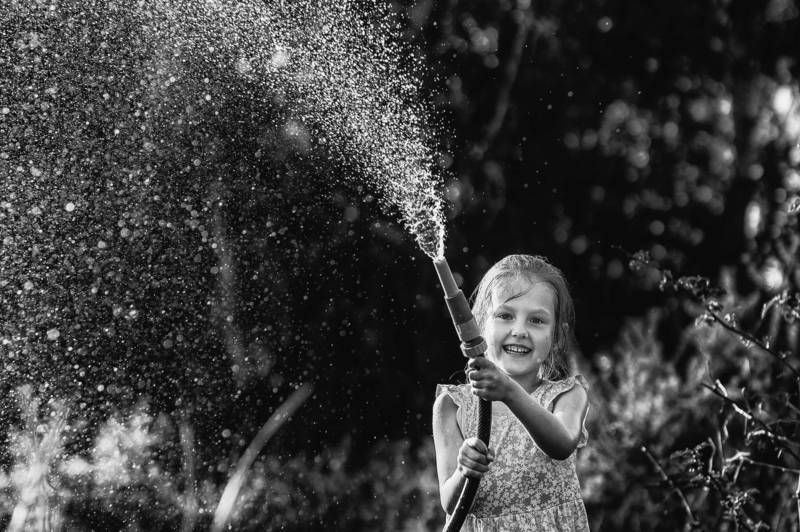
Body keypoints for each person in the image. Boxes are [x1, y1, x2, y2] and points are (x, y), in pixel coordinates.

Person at [432, 254, 590, 531]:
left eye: (536, 320)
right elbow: (450, 503)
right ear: (479, 324)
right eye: (505, 316)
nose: (519, 331)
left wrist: (508, 391)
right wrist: (464, 470)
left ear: (557, 336)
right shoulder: (453, 405)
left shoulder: (567, 395)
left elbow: (562, 443)